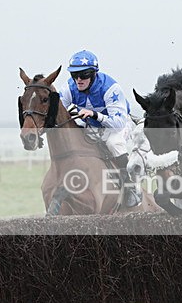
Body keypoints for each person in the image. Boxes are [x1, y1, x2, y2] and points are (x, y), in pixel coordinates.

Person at [60, 49, 141, 207]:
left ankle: (130, 187)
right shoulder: (69, 88)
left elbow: (118, 122)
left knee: (113, 144)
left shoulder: (110, 88)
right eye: (74, 75)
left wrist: (95, 115)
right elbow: (60, 112)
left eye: (83, 75)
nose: (78, 80)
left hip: (118, 125)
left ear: (93, 74)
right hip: (92, 126)